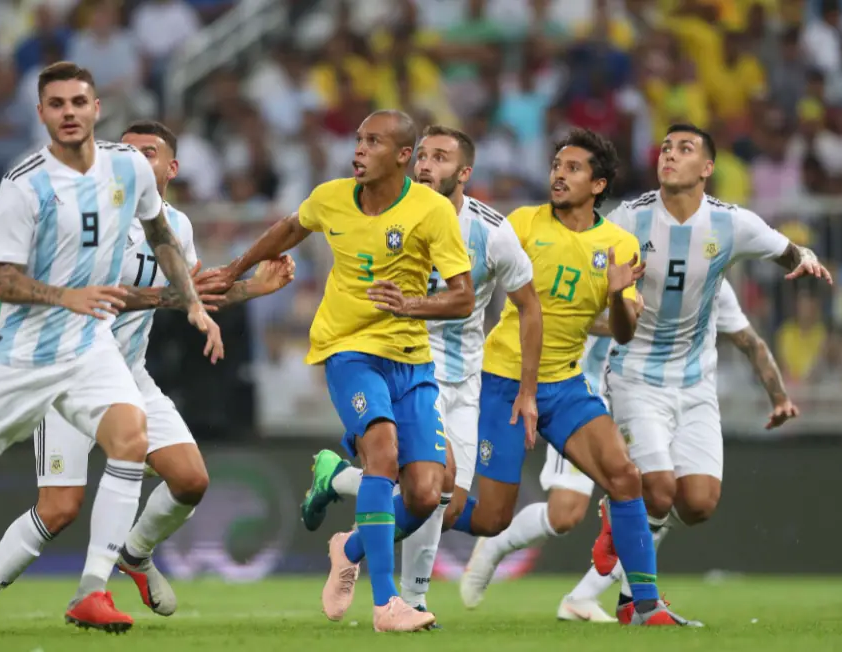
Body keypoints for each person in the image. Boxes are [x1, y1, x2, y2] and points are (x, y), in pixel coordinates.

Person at [0, 62, 221, 638]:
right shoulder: (24, 184)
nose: (69, 112)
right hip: (22, 354)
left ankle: (92, 589)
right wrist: (67, 295)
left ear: (96, 108)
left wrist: (192, 301)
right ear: (42, 114)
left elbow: (161, 235)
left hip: (90, 349)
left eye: (79, 101)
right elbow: (5, 282)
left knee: (130, 439)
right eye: (57, 104)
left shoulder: (128, 168)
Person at [0, 119, 294, 634]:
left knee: (190, 479)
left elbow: (192, 293)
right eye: (124, 151)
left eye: (148, 152)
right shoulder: (92, 219)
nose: (133, 160)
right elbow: (117, 296)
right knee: (58, 509)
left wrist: (251, 289)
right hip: (70, 374)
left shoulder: (176, 226)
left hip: (129, 375)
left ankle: (134, 553)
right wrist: (182, 298)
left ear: (172, 168)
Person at [206, 110, 475, 632]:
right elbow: (290, 227)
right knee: (382, 454)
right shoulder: (331, 197)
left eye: (373, 142)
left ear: (402, 156)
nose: (359, 150)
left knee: (427, 493)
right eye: (358, 140)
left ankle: (348, 547)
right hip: (348, 349)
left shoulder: (431, 211)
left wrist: (411, 305)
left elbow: (462, 297)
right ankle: (387, 604)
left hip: (410, 358)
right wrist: (235, 268)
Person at [575, 123, 831, 625]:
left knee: (698, 503)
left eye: (685, 149)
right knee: (659, 489)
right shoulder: (629, 218)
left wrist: (807, 258)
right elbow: (587, 280)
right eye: (666, 148)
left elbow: (786, 249)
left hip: (695, 383)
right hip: (635, 375)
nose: (670, 155)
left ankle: (619, 526)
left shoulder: (731, 223)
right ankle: (638, 604)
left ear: (707, 168)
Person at [453, 127, 699, 626]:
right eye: (556, 166)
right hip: (503, 381)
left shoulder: (620, 244)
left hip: (565, 384)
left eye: (573, 168)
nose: (559, 176)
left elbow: (624, 331)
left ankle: (643, 605)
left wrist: (617, 295)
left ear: (598, 185)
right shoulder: (522, 224)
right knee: (491, 518)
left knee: (625, 478)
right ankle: (385, 498)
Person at [297, 124, 541, 616]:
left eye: (440, 158)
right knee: (424, 487)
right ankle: (411, 602)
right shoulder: (389, 210)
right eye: (422, 155)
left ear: (464, 173)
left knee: (444, 506)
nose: (427, 165)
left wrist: (528, 390)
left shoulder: (492, 232)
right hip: (403, 367)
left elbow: (529, 306)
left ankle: (342, 504)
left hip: (464, 380)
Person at [463, 279, 798, 621]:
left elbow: (749, 339)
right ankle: (497, 544)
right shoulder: (617, 268)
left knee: (658, 496)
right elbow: (566, 315)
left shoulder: (711, 283)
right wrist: (626, 320)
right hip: (582, 390)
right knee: (565, 514)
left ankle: (595, 597)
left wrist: (779, 396)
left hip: (647, 399)